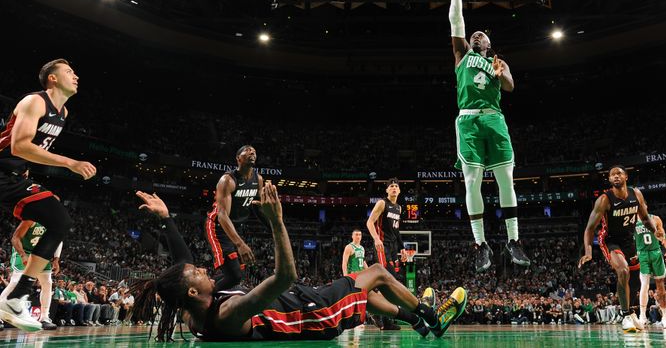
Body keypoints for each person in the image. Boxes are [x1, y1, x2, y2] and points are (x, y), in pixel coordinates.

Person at [131, 188, 467, 342]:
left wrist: (166, 220)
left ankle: (415, 320)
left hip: (304, 303)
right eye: (197, 274)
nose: (202, 269)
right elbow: (283, 277)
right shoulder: (228, 311)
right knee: (377, 273)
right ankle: (433, 318)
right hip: (314, 314)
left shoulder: (193, 311)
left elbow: (182, 264)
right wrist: (276, 222)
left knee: (363, 291)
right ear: (192, 289)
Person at [445, 0, 530, 273]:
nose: (477, 34)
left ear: (490, 45)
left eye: (482, 35)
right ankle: (480, 244)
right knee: (473, 181)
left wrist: (503, 72)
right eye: (474, 34)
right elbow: (456, 21)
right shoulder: (462, 55)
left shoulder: (496, 62)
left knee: (506, 178)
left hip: (494, 118)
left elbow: (509, 88)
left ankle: (513, 240)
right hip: (467, 120)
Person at [0, 59, 96, 331]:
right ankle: (15, 297)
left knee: (59, 220)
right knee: (58, 218)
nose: (75, 76)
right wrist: (70, 163)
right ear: (52, 79)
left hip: (12, 177)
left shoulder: (62, 112)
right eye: (69, 72)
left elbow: (27, 152)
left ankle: (17, 296)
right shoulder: (35, 101)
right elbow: (19, 147)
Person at [578, 165, 657, 332]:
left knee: (636, 280)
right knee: (623, 271)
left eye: (618, 173)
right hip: (610, 240)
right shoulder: (605, 199)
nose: (615, 176)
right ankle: (625, 316)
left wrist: (657, 233)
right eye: (612, 174)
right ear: (609, 179)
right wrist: (588, 251)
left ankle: (632, 311)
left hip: (629, 240)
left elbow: (644, 217)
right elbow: (590, 228)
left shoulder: (636, 194)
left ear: (626, 176)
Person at [206, 145, 263, 291]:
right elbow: (223, 215)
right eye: (248, 150)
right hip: (218, 226)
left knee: (237, 273)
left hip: (235, 227)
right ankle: (203, 302)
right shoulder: (228, 180)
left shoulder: (259, 180)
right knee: (235, 276)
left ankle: (204, 287)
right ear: (238, 158)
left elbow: (258, 207)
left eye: (254, 151)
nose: (252, 152)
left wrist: (274, 227)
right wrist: (240, 244)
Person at [0, 220, 62, 330]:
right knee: (17, 280)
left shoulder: (54, 221)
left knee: (47, 283)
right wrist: (23, 255)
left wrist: (56, 259)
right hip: (23, 250)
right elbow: (15, 238)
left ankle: (44, 318)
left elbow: (58, 241)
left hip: (41, 253)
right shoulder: (31, 218)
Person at [366, 178, 404, 330]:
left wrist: (402, 248)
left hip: (393, 248)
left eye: (396, 186)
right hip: (382, 247)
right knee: (386, 280)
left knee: (392, 281)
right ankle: (378, 314)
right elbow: (369, 222)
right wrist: (376, 239)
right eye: (391, 186)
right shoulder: (382, 203)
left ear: (399, 191)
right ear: (387, 190)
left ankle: (386, 319)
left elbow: (396, 231)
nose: (394, 188)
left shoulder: (399, 208)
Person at [634, 213, 666, 329]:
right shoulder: (632, 220)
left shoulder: (655, 218)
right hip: (642, 254)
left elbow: (663, 235)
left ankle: (665, 318)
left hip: (656, 252)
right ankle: (642, 317)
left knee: (661, 286)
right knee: (644, 285)